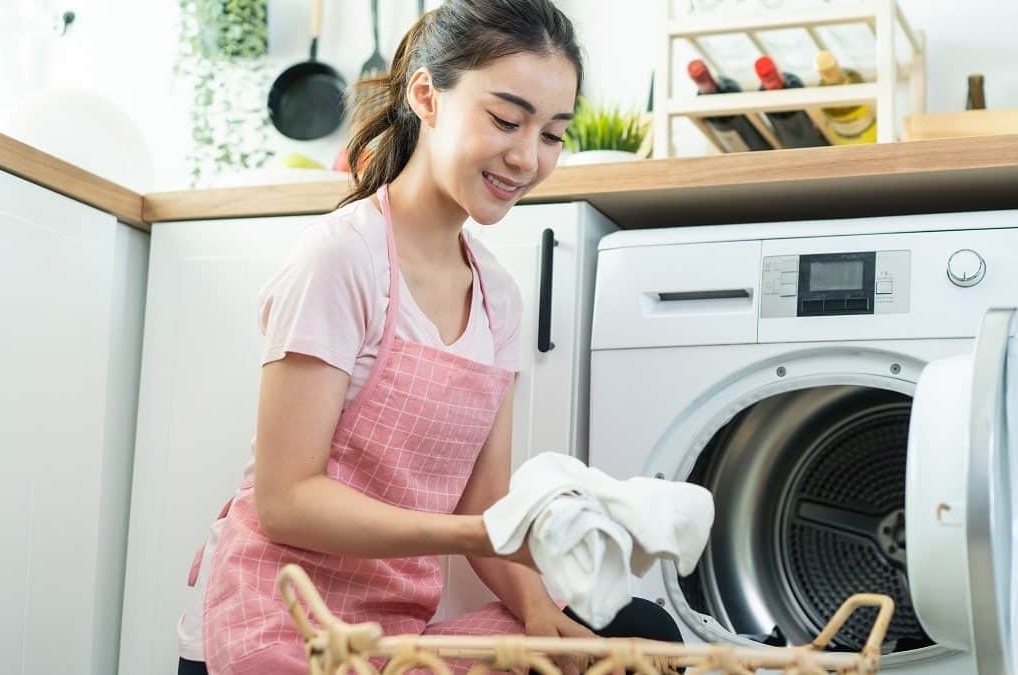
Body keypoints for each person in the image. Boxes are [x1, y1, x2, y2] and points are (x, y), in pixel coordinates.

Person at [175, 2, 681, 674]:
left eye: (554, 134)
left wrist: (536, 608)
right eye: (506, 119)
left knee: (634, 628)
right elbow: (286, 499)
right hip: (276, 627)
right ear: (426, 95)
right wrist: (482, 532)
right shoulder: (342, 257)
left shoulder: (498, 295)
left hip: (393, 635)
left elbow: (484, 500)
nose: (527, 158)